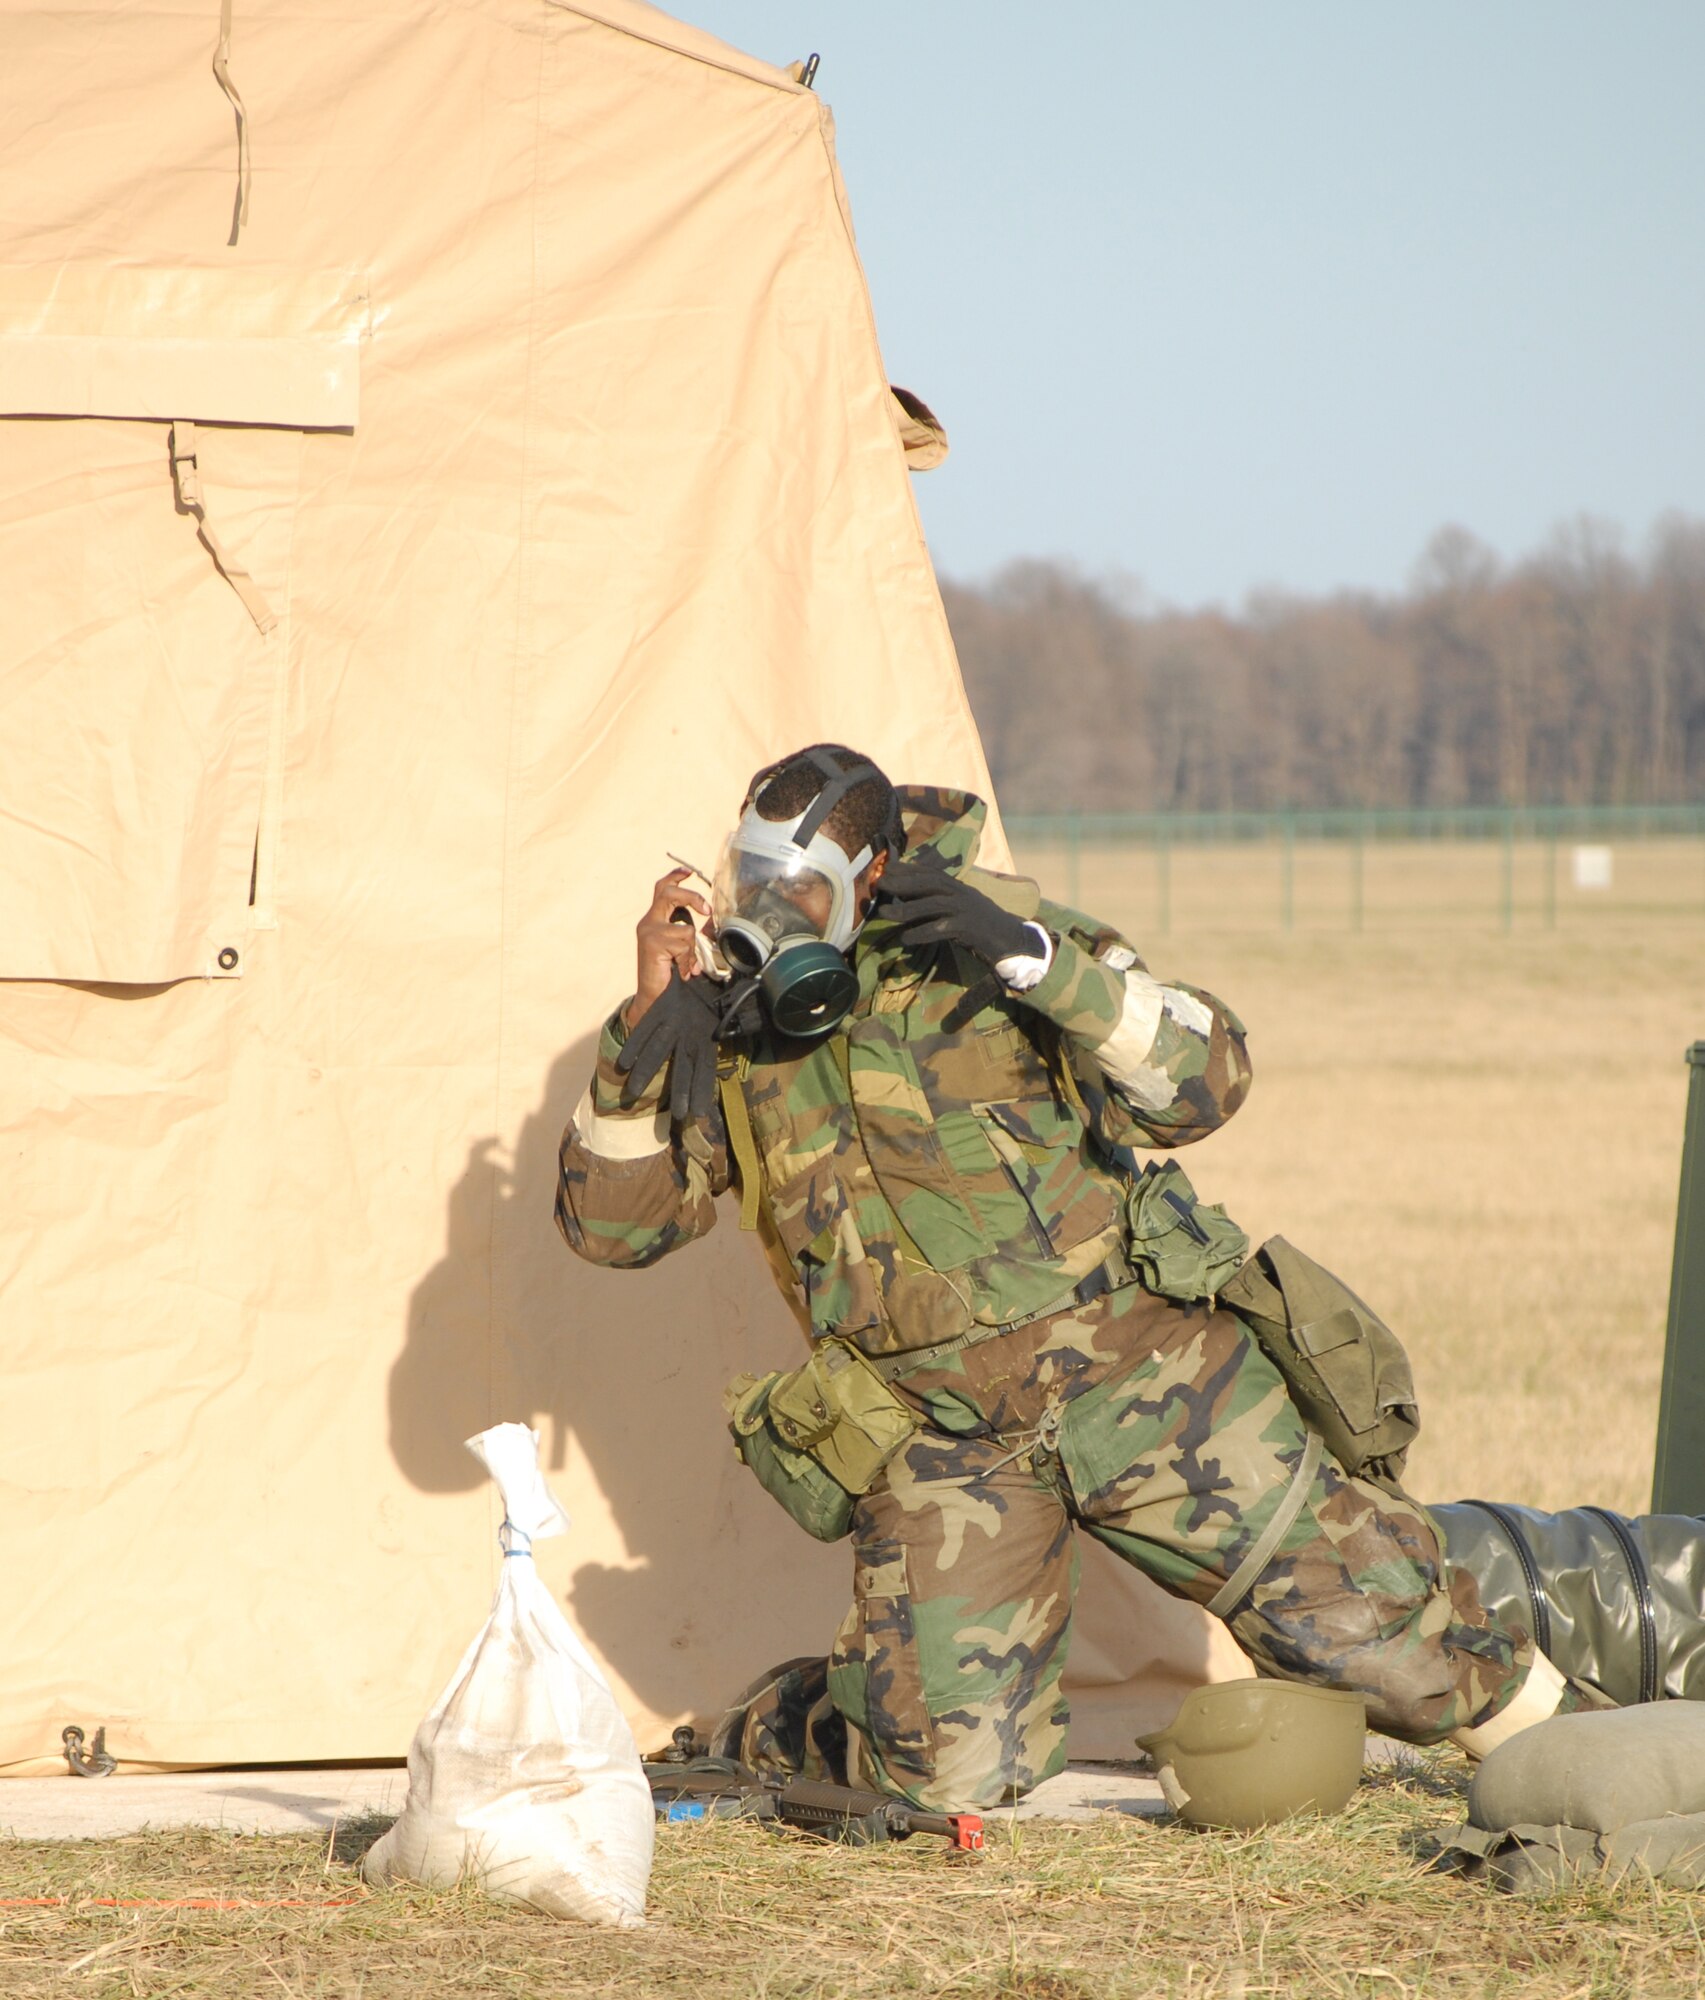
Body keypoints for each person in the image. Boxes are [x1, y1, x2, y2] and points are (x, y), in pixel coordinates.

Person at [556, 744, 1593, 1810]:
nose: (766, 914)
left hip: (1146, 1371)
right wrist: (639, 1040)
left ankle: (1599, 1752)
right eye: (750, 883)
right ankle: (803, 1715)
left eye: (797, 889)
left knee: (1389, 1646)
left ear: (871, 872)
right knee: (947, 1779)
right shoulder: (729, 1026)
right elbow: (611, 1231)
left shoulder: (996, 942)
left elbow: (1208, 1080)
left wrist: (1038, 961)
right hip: (940, 1432)